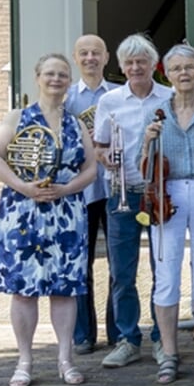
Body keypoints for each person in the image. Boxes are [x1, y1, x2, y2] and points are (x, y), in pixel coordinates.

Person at [0, 54, 100, 386]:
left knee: (65, 290)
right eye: (50, 73)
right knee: (23, 291)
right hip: (23, 210)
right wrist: (22, 186)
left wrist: (66, 188)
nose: (56, 79)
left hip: (65, 211)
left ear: (69, 80)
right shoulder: (18, 116)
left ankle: (66, 360)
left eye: (63, 74)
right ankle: (25, 361)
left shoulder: (76, 123)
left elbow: (91, 169)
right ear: (37, 77)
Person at [91, 33, 174, 369]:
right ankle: (128, 338)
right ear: (121, 66)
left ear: (153, 65)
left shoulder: (169, 97)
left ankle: (160, 338)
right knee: (122, 272)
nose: (136, 67)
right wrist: (103, 156)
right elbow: (99, 145)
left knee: (162, 270)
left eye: (142, 61)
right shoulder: (110, 101)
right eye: (129, 62)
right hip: (121, 194)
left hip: (158, 193)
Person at [139, 44, 194, 385]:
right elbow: (145, 167)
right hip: (165, 194)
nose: (184, 74)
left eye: (189, 67)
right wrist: (147, 141)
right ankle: (169, 353)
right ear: (166, 74)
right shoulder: (156, 112)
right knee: (166, 272)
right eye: (176, 69)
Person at [65, 34, 117, 356]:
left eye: (96, 52)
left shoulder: (118, 95)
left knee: (119, 265)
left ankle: (118, 333)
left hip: (112, 188)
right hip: (80, 192)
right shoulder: (67, 99)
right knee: (80, 265)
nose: (90, 58)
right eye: (83, 53)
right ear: (76, 58)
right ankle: (83, 334)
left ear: (106, 57)